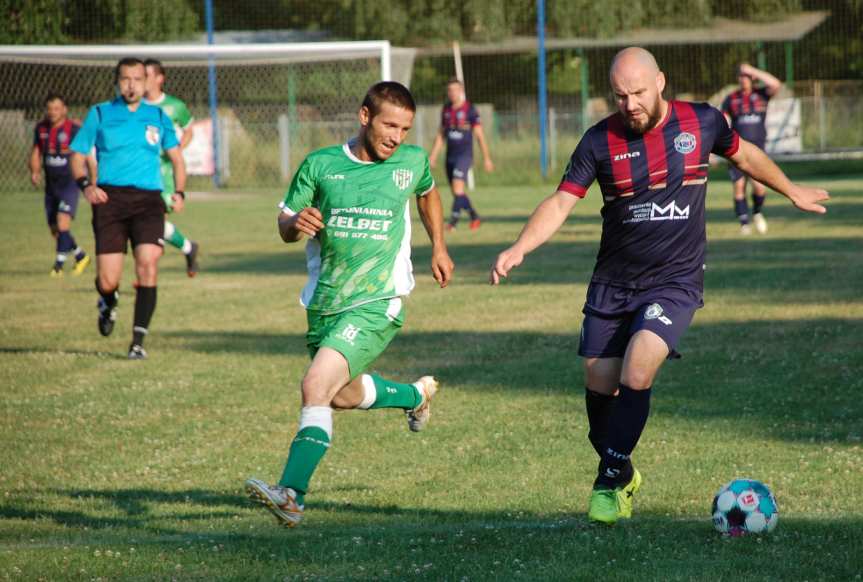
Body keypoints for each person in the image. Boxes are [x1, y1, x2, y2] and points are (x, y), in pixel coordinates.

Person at [490, 47, 828, 525]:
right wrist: (520, 246)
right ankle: (624, 470)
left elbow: (745, 154)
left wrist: (791, 189)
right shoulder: (598, 141)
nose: (629, 104)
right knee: (598, 384)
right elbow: (561, 202)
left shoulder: (702, 122)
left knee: (638, 368)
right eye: (620, 95)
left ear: (661, 82)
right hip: (613, 282)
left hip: (674, 280)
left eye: (638, 93)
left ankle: (607, 484)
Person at [245, 81, 454, 528]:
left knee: (315, 385)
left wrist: (439, 246)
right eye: (389, 125)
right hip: (326, 303)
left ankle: (291, 495)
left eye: (405, 128)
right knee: (340, 395)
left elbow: (428, 191)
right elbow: (285, 222)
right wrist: (294, 223)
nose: (397, 137)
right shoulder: (320, 165)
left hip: (380, 299)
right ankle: (415, 395)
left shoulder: (411, 161)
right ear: (364, 117)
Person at [70, 57, 187, 360]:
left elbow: (177, 158)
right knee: (107, 280)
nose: (132, 85)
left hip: (149, 200)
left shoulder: (158, 116)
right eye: (126, 79)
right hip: (110, 200)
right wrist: (86, 186)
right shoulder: (99, 113)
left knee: (148, 263)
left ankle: (137, 342)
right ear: (117, 82)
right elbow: (77, 156)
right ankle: (108, 301)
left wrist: (180, 192)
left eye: (138, 78)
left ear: (147, 82)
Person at [144, 58, 200, 276]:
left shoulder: (174, 106)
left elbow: (189, 130)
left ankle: (147, 275)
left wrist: (175, 151)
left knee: (154, 222)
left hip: (164, 174)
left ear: (159, 78)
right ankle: (187, 248)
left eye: (147, 75)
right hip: (141, 172)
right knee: (151, 224)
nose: (143, 80)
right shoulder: (134, 107)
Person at [30, 94, 91, 277]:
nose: (52, 113)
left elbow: (86, 153)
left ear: (64, 109)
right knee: (56, 230)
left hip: (70, 183)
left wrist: (90, 180)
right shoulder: (41, 129)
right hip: (51, 186)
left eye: (57, 109)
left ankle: (58, 266)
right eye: (49, 109)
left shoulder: (73, 129)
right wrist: (35, 171)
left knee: (63, 222)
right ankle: (80, 255)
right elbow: (36, 151)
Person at [721, 63, 782, 234]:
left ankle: (757, 212)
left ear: (752, 78)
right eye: (741, 76)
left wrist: (753, 70)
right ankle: (744, 223)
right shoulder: (731, 98)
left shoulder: (761, 95)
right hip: (736, 150)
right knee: (739, 186)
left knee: (759, 187)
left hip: (758, 151)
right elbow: (723, 120)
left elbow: (776, 84)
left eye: (746, 76)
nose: (743, 79)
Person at [428, 78, 493, 231]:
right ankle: (474, 216)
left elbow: (479, 135)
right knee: (457, 192)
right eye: (450, 90)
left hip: (464, 156)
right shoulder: (446, 109)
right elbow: (441, 135)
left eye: (455, 90)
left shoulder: (470, 109)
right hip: (450, 156)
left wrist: (487, 158)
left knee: (458, 189)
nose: (452, 93)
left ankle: (453, 222)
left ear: (461, 91)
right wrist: (433, 156)